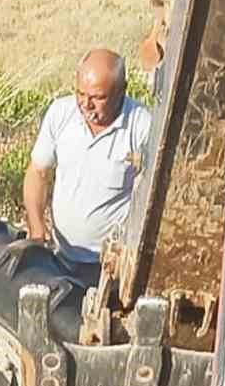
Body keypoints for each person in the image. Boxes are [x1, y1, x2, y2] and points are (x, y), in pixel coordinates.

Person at [23, 48, 153, 287]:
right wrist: (37, 229)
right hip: (60, 259)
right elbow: (38, 172)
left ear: (121, 91)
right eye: (80, 94)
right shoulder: (60, 114)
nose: (86, 104)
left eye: (98, 97)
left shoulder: (142, 126)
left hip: (111, 269)